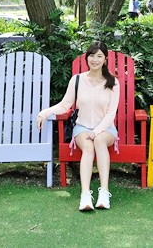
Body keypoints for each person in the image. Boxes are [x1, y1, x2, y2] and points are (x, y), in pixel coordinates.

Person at [36, 42, 119, 211]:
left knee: (99, 141)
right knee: (88, 147)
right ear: (86, 57)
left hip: (105, 129)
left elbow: (111, 113)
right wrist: (45, 113)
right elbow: (65, 105)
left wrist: (96, 132)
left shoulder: (113, 82)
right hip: (82, 127)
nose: (94, 59)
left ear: (105, 60)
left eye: (99, 56)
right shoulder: (78, 80)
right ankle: (85, 195)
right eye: (91, 55)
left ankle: (104, 193)